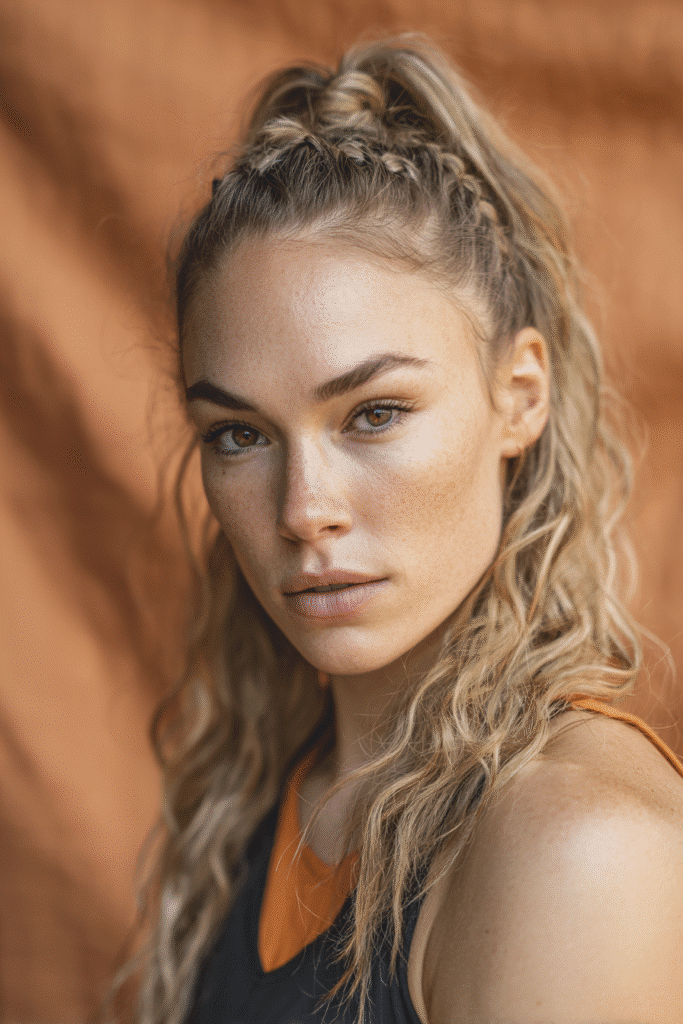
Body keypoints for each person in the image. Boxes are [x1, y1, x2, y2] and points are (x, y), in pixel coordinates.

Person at [123, 34, 683, 1024]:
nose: (303, 510)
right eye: (240, 434)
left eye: (371, 413)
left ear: (517, 397)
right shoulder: (279, 788)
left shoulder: (576, 846)